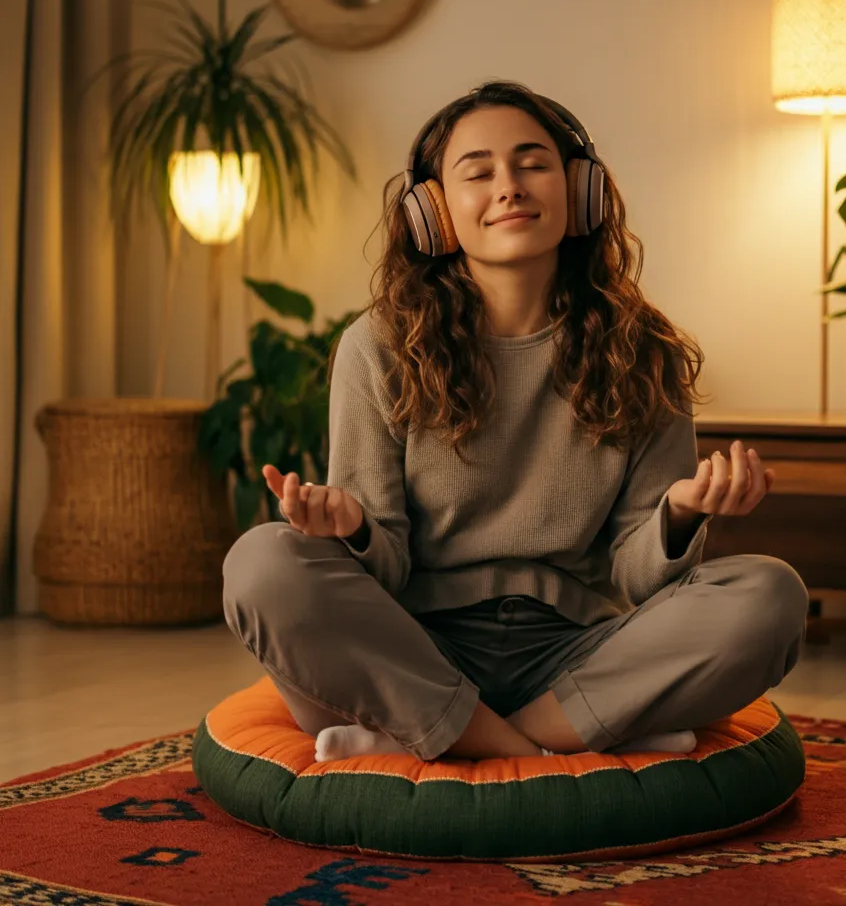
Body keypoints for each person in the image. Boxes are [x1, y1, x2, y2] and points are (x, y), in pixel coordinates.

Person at [222, 79, 809, 764]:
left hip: (576, 655)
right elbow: (382, 566)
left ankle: (443, 741)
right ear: (432, 212)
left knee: (769, 594)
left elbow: (639, 580)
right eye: (478, 171)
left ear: (580, 189)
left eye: (533, 163)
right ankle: (571, 742)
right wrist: (349, 527)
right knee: (262, 562)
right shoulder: (376, 346)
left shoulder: (644, 351)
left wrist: (678, 514)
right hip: (411, 648)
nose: (509, 186)